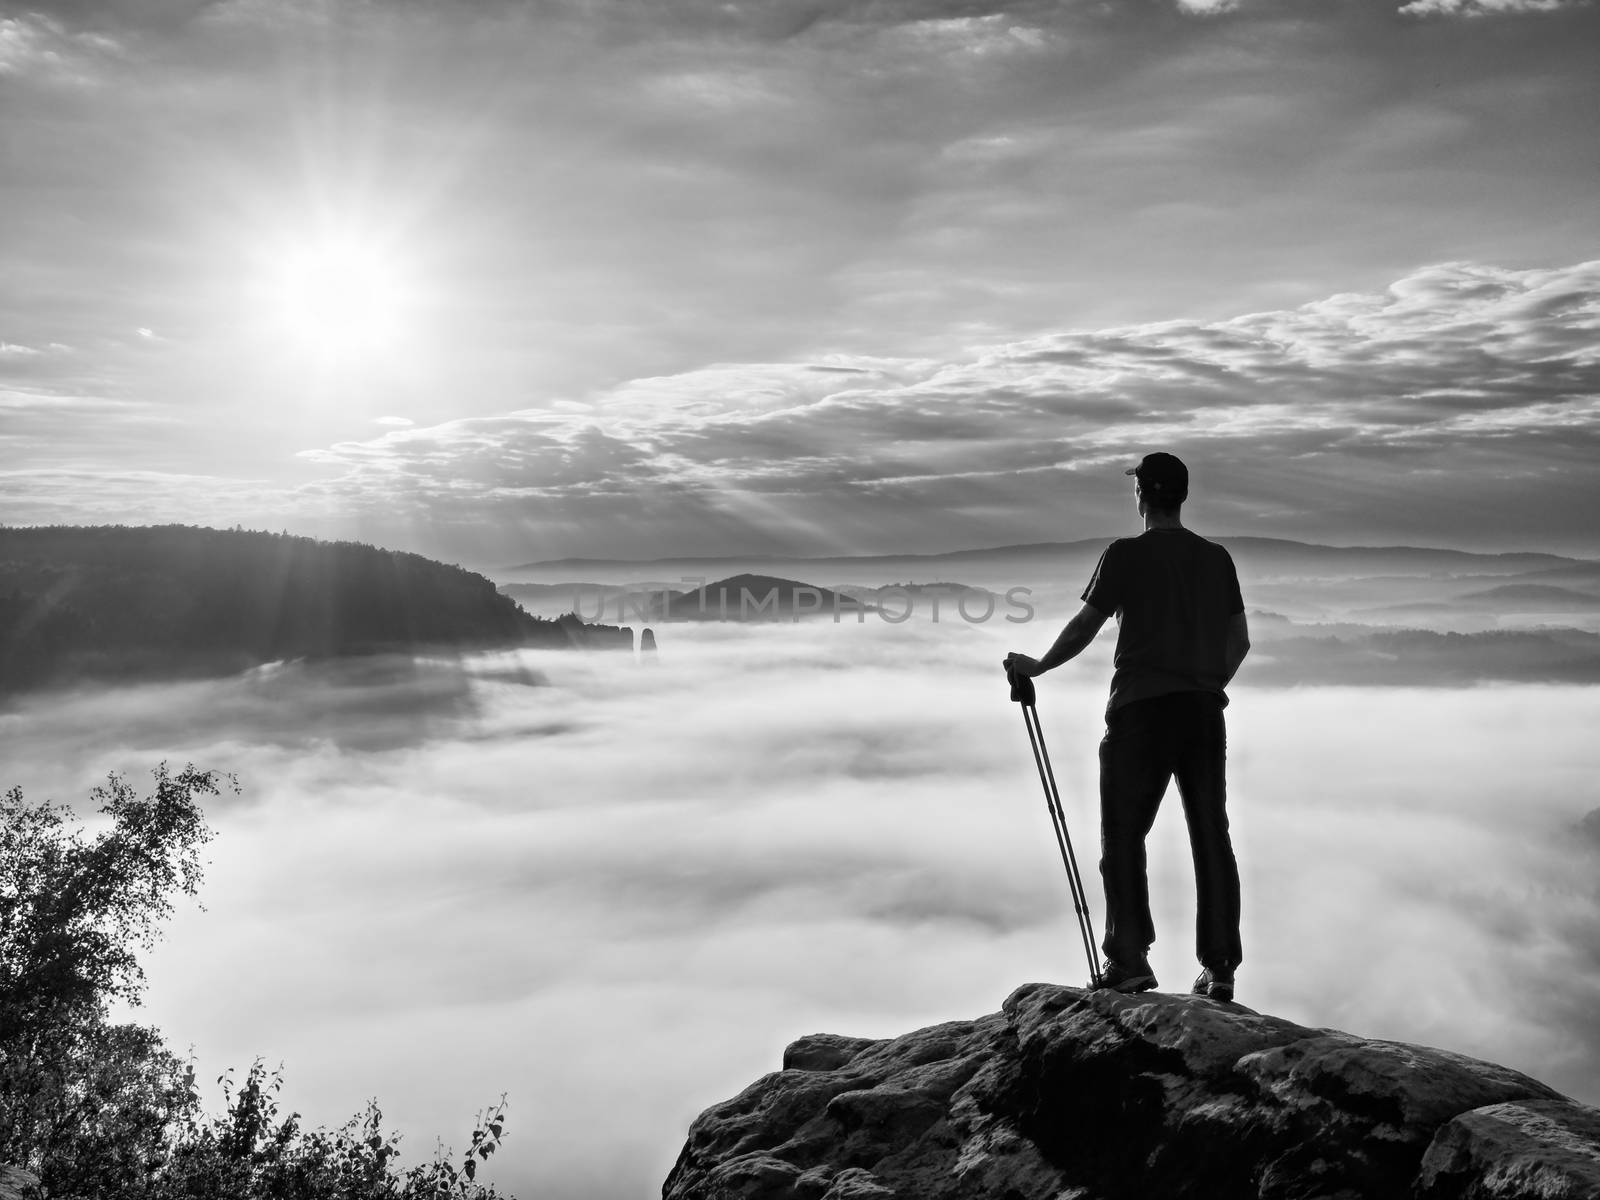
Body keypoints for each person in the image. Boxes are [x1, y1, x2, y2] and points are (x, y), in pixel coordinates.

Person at [1004, 452, 1250, 1001]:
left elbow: (1087, 624)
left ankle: (1129, 959)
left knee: (1122, 835)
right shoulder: (1217, 560)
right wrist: (1212, 686)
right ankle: (1220, 968)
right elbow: (1240, 641)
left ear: (1140, 495)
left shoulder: (1125, 555)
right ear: (1182, 496)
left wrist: (1038, 665)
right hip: (1203, 713)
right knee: (1211, 835)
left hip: (1140, 710)